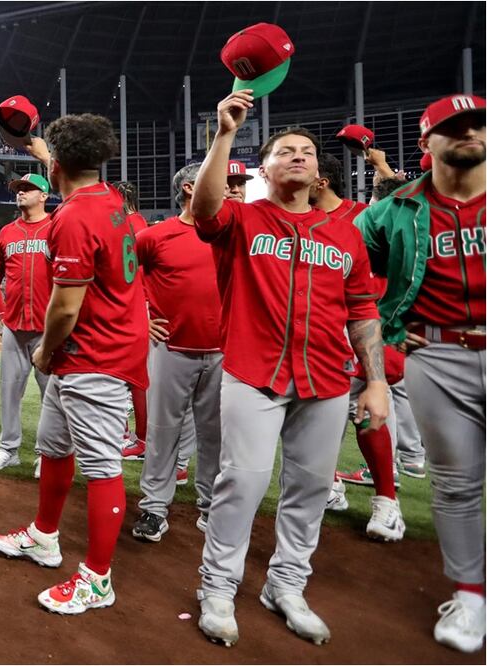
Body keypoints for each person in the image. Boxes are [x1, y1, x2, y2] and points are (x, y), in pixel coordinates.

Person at [190, 90, 389, 648]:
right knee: (243, 482)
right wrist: (224, 133)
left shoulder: (346, 235)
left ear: (319, 172)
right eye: (285, 151)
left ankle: (287, 585)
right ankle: (218, 586)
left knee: (310, 488)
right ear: (264, 170)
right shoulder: (242, 219)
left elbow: (362, 310)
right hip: (253, 372)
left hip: (326, 379)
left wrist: (375, 381)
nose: (298, 156)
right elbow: (204, 209)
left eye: (307, 151)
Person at [0, 113, 148, 615]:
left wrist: (44, 351)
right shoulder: (111, 197)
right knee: (53, 445)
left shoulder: (72, 217)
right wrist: (46, 154)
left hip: (95, 353)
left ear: (56, 166)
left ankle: (97, 579)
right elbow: (74, 183)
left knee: (101, 467)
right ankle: (44, 537)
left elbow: (63, 309)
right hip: (98, 346)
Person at [355, 93, 486, 653]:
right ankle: (471, 595)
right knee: (456, 483)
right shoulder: (392, 210)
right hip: (437, 354)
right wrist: (389, 327)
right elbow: (351, 275)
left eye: (478, 124)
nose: (470, 133)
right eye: (455, 127)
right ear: (426, 142)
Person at [310, 152, 405, 542]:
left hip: (365, 331)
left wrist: (402, 321)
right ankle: (330, 485)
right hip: (321, 334)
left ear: (321, 181)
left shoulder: (364, 216)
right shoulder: (299, 220)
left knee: (369, 415)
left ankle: (387, 501)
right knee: (314, 417)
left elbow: (405, 265)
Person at [131, 163, 223, 542]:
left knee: (216, 436)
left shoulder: (234, 234)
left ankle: (211, 507)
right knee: (161, 432)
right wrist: (141, 315)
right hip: (170, 348)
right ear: (189, 188)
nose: (228, 189)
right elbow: (121, 276)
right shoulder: (155, 236)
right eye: (222, 182)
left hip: (223, 351)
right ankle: (154, 507)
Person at [0, 173, 53, 474]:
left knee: (52, 397)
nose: (21, 192)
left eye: (28, 189)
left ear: (44, 195)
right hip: (13, 325)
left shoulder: (56, 228)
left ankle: (47, 454)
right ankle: (8, 449)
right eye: (18, 189)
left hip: (49, 329)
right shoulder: (7, 232)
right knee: (9, 391)